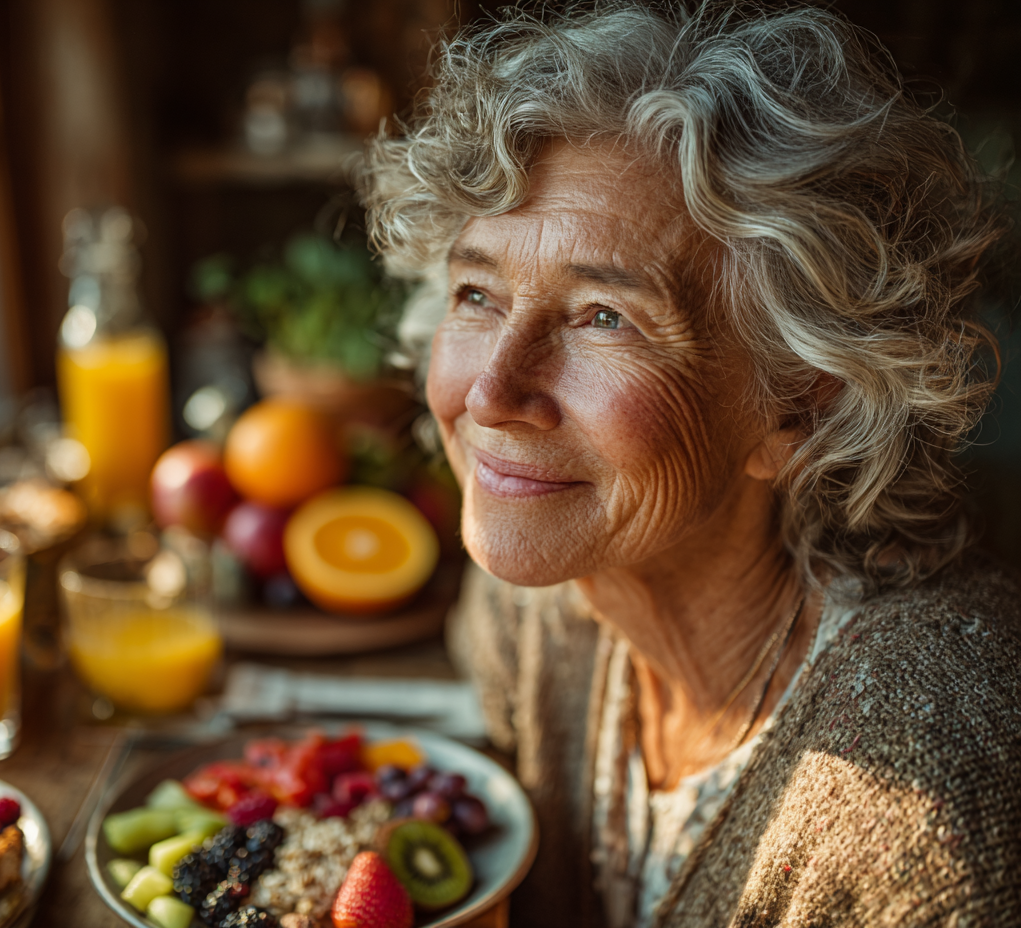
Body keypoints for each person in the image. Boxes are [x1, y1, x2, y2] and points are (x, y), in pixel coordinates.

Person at [356, 2, 1021, 925]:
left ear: (802, 405)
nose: (493, 392)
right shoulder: (533, 607)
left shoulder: (923, 794)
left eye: (605, 318)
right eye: (478, 293)